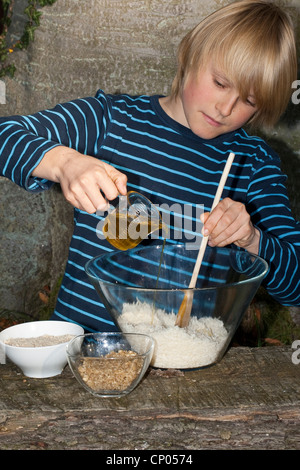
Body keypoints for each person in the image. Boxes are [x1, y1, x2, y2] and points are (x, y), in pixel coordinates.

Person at [0, 0, 299, 332]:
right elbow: (5, 135)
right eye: (220, 83)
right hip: (83, 354)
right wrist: (64, 163)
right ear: (189, 56)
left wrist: (252, 238)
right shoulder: (111, 120)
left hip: (182, 366)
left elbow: (296, 286)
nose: (226, 107)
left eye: (249, 100)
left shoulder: (253, 164)